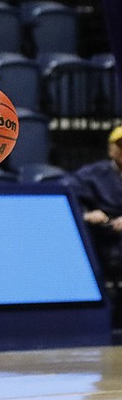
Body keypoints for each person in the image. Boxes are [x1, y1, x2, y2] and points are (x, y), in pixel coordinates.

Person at [62, 126, 122, 315]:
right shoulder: (93, 174)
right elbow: (66, 194)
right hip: (102, 236)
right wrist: (87, 214)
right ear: (111, 149)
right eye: (120, 145)